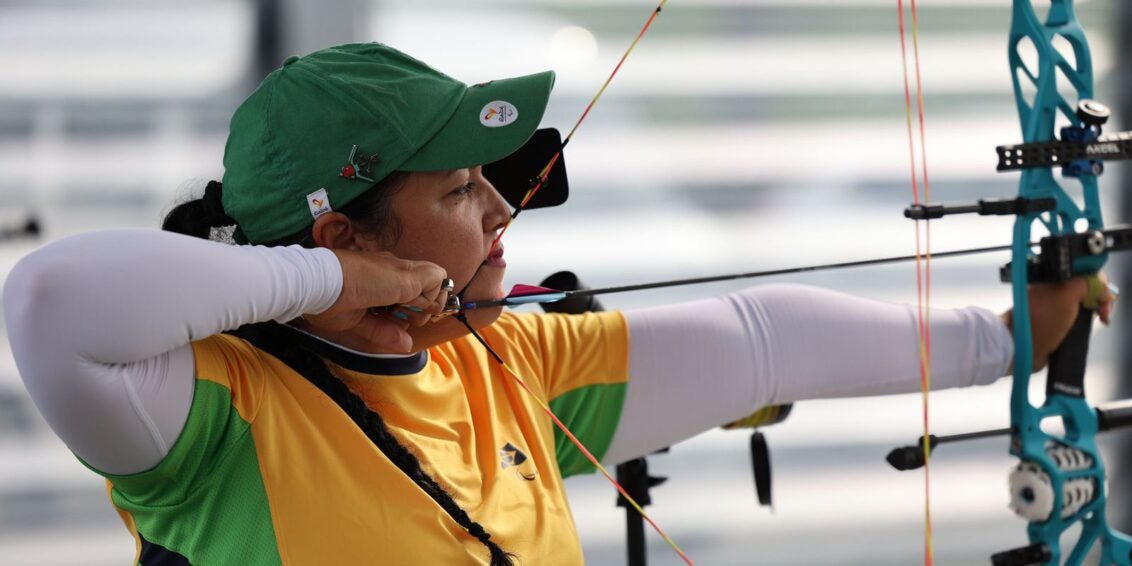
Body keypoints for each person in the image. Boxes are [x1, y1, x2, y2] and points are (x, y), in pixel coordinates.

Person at [2, 43, 1114, 566]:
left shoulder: (512, 365)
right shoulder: (210, 418)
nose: (499, 208)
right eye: (455, 188)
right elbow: (51, 301)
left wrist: (1012, 337)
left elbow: (763, 340)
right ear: (340, 232)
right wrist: (345, 287)